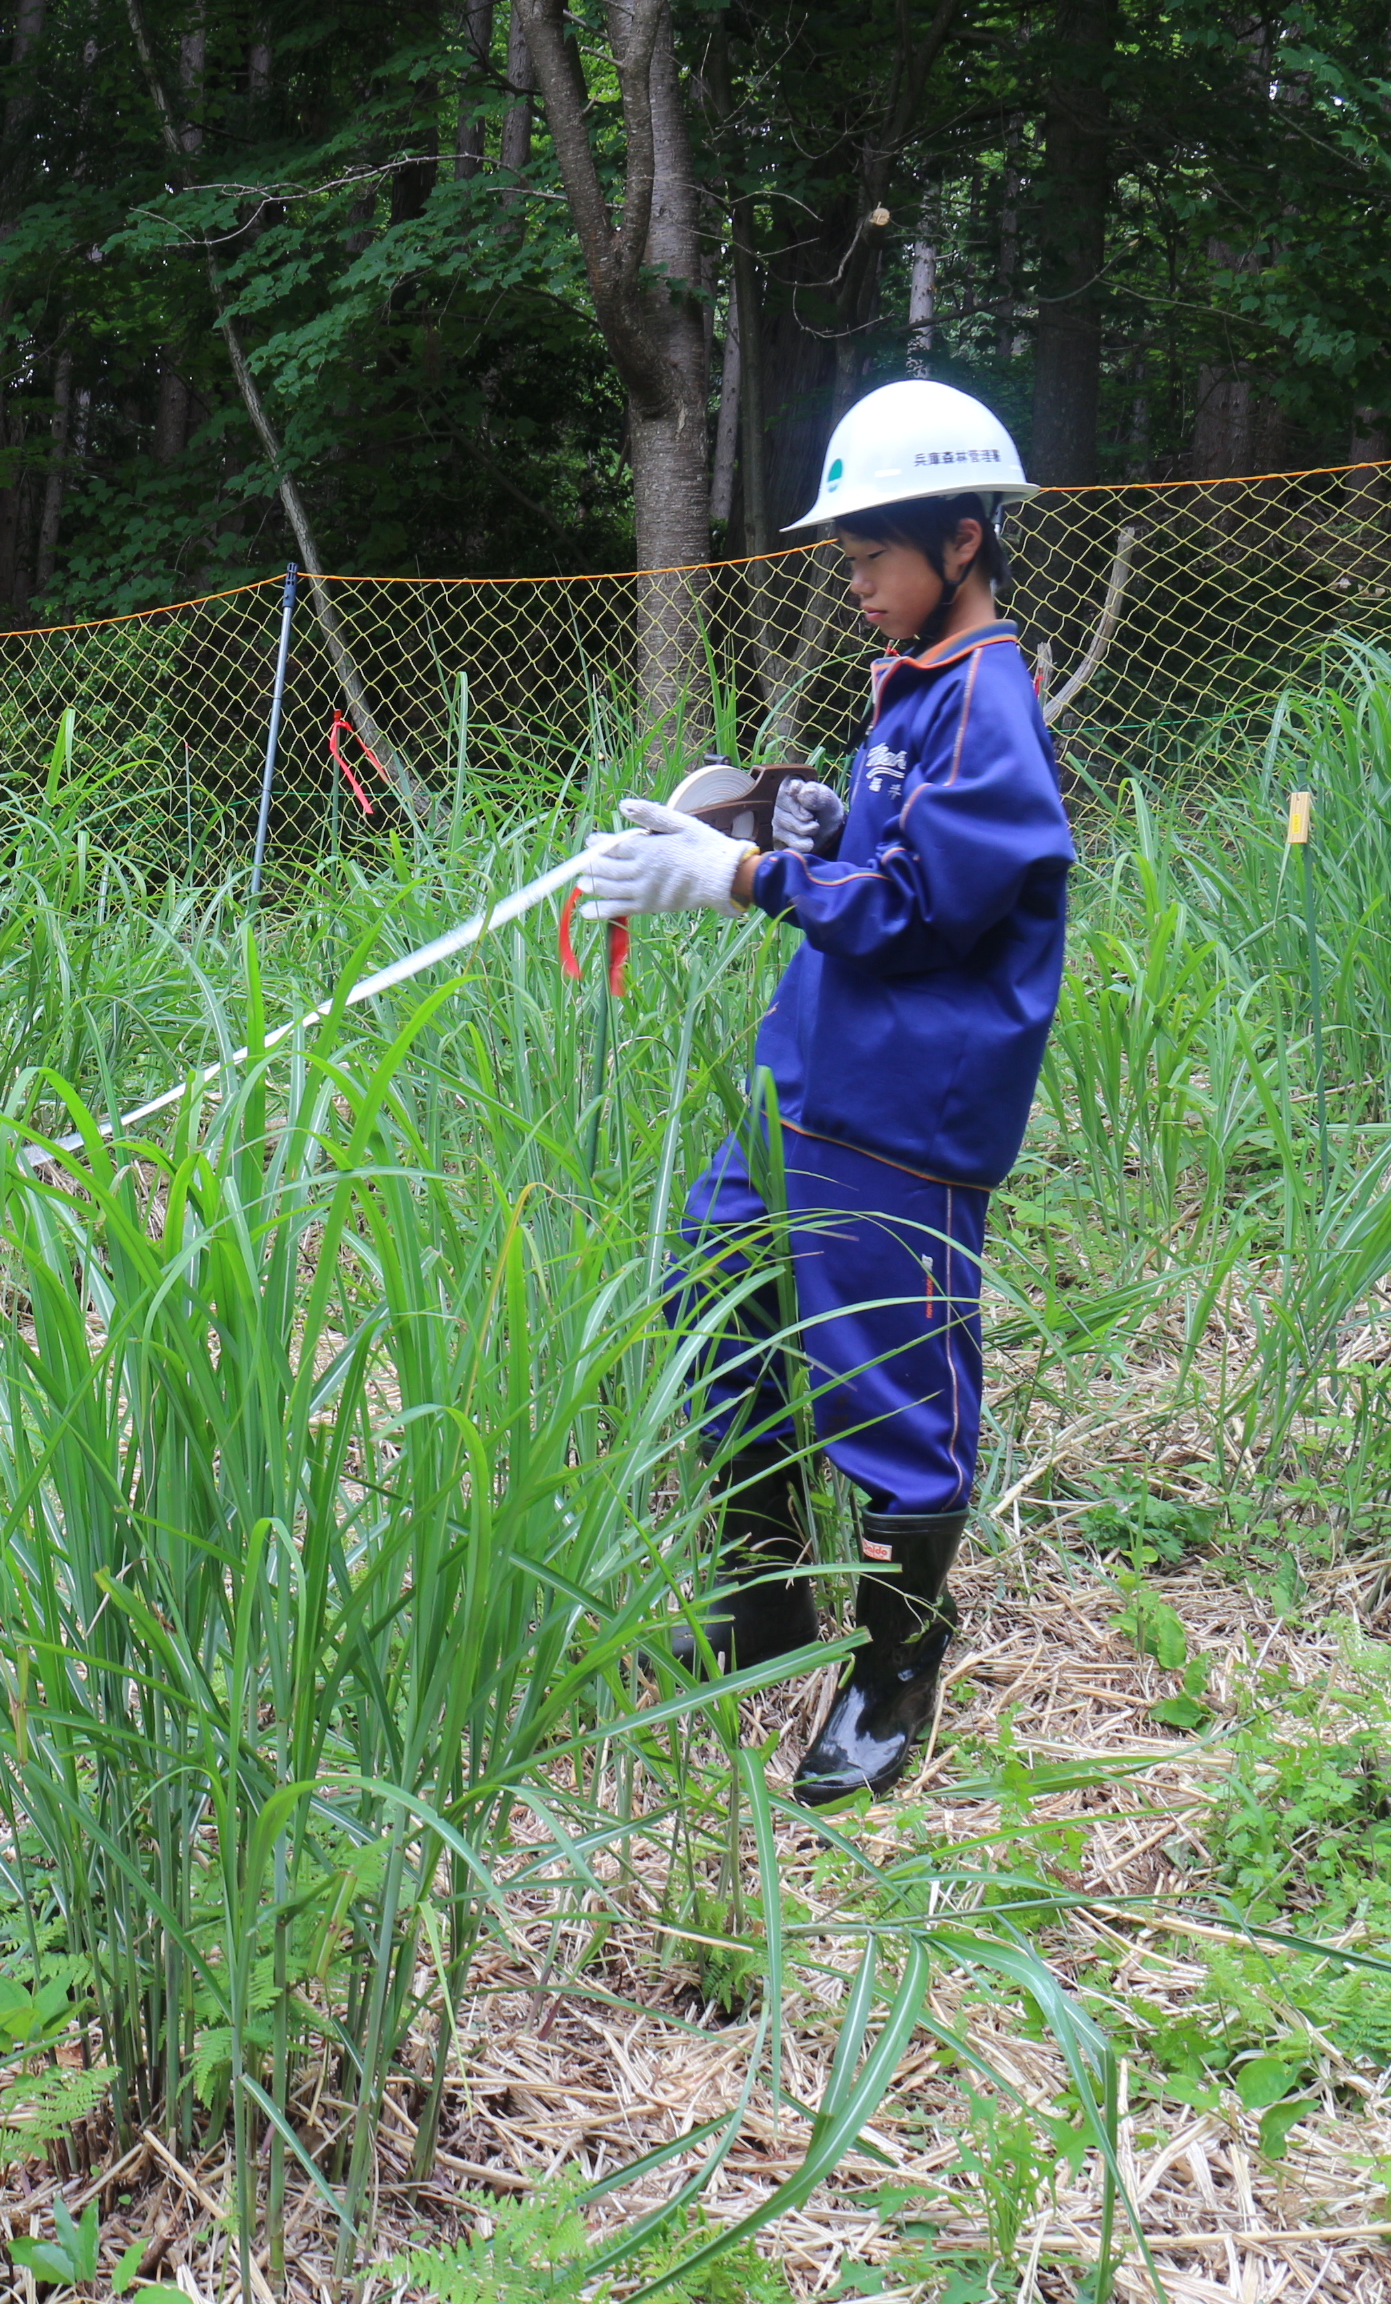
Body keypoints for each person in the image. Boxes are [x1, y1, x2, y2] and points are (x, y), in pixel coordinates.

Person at [579, 380, 1073, 1805]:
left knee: (887, 1379)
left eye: (870, 559)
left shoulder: (991, 703)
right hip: (807, 1084)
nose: (852, 584)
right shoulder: (917, 685)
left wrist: (742, 878)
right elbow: (889, 840)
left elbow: (928, 910)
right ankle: (762, 1601)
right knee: (716, 1300)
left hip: (901, 1112)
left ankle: (896, 1660)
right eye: (845, 560)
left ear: (963, 542)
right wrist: (787, 812)